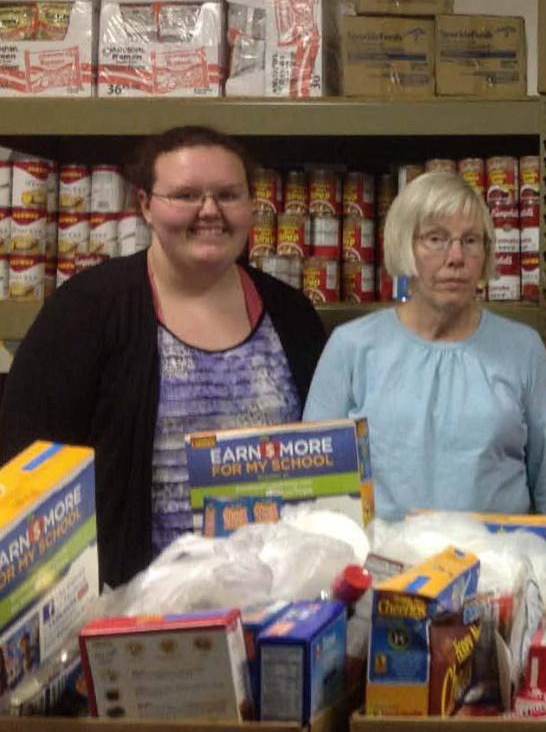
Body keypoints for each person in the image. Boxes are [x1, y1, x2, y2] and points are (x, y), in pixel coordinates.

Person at [0, 126, 327, 587]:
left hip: (278, 607)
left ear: (251, 206)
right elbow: (27, 470)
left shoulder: (291, 313)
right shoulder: (87, 311)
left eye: (228, 195)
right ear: (145, 206)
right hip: (133, 614)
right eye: (186, 194)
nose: (209, 211)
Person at [304, 171, 546, 519]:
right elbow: (316, 484)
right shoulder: (352, 347)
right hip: (386, 568)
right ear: (404, 246)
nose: (456, 257)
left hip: (498, 565)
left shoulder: (523, 349)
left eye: (471, 240)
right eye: (436, 238)